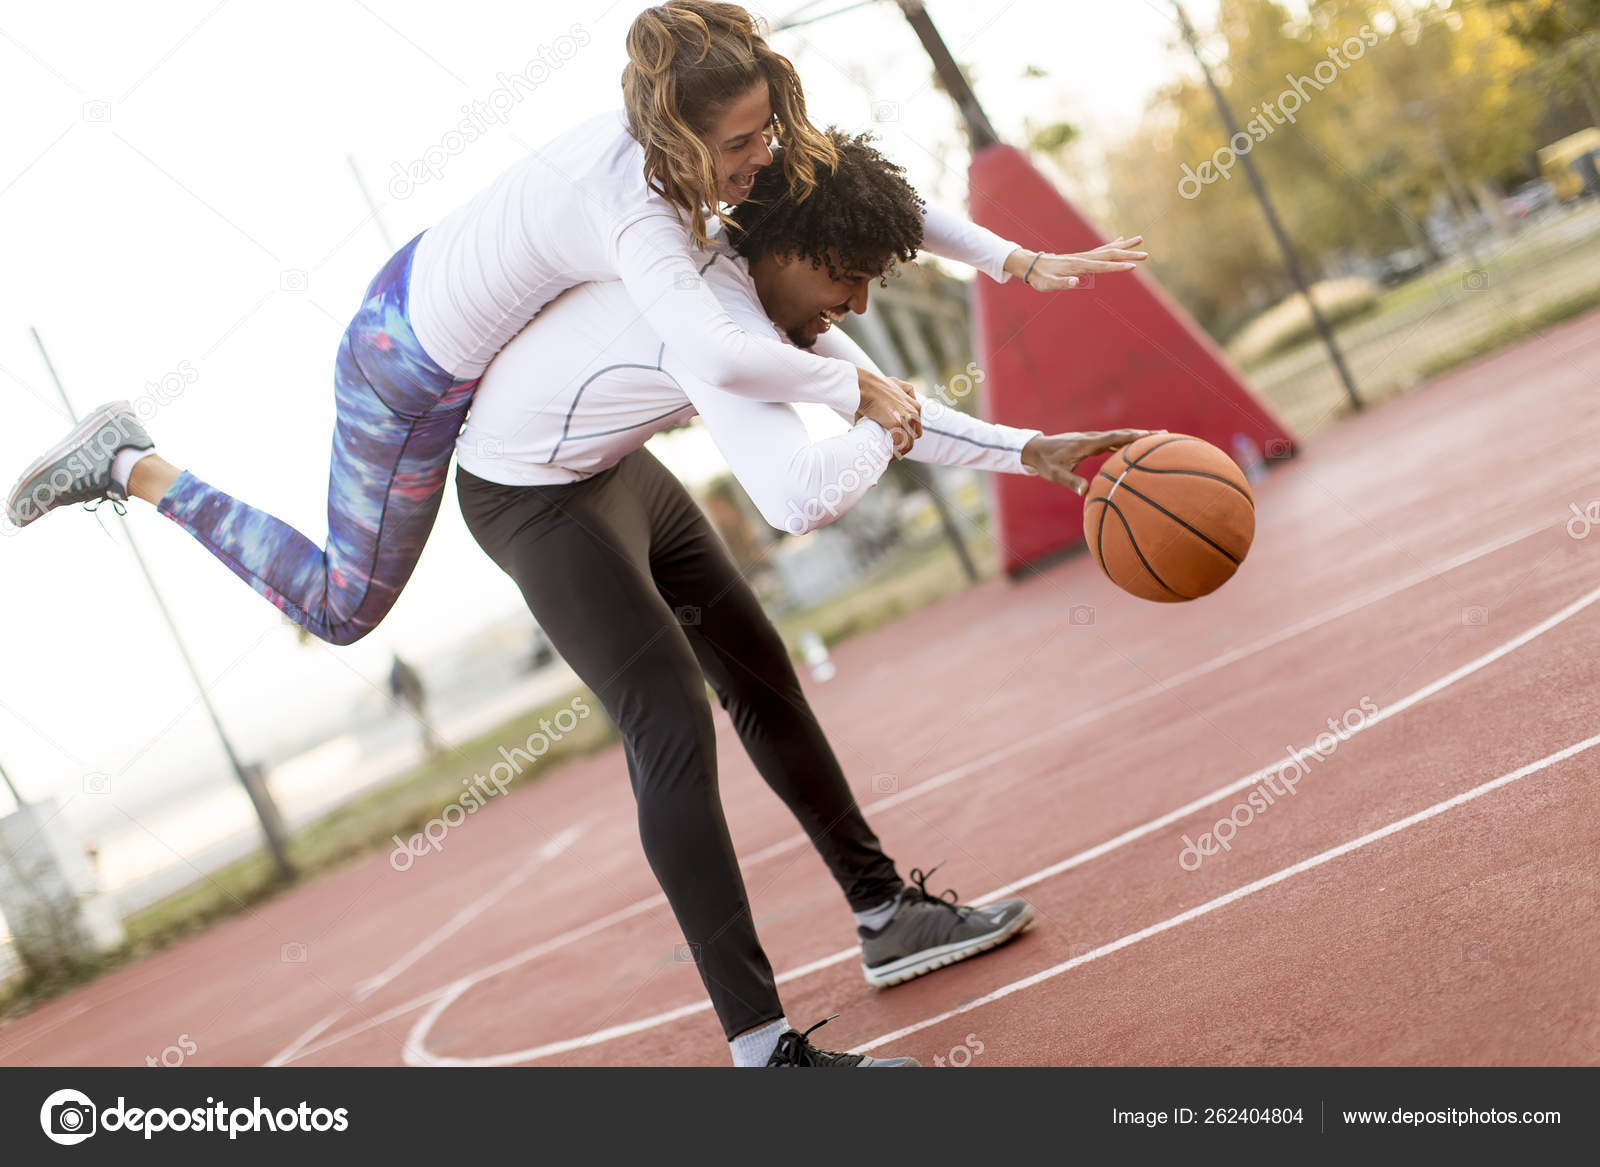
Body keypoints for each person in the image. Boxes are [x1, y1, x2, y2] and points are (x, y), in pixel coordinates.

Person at [5, 1, 1141, 647]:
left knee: (800, 355)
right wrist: (859, 392)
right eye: (744, 145)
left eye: (765, 136)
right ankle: (135, 463)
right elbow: (712, 359)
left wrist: (1016, 259)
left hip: (440, 299)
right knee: (343, 610)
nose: (764, 159)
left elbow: (849, 186)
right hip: (405, 366)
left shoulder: (730, 174)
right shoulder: (637, 214)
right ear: (688, 140)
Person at [456, 128, 1155, 1067]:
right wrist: (884, 418)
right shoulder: (713, 322)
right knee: (668, 719)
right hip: (527, 495)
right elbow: (800, 498)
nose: (857, 304)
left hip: (614, 469)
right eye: (848, 280)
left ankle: (885, 915)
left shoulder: (775, 292)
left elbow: (882, 400)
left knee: (759, 671)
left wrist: (1030, 449)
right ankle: (762, 1054)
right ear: (787, 249)